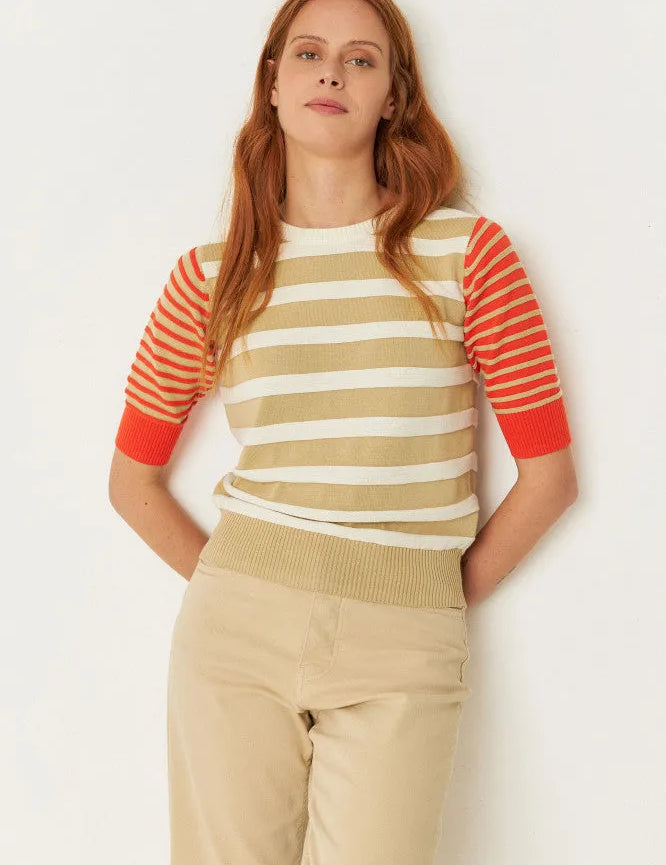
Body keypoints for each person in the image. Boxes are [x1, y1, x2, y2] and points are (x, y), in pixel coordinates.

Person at [108, 0, 578, 862]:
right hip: (234, 630)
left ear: (394, 96)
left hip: (406, 640)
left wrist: (428, 596)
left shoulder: (468, 253)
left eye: (362, 59)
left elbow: (550, 477)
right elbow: (130, 480)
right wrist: (242, 582)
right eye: (309, 53)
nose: (332, 71)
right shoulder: (211, 277)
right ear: (273, 84)